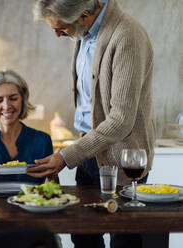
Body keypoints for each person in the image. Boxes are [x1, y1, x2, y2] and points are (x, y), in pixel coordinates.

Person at [28, 0, 155, 248]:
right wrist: (75, 151)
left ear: (84, 16)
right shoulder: (84, 34)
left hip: (123, 159)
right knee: (84, 235)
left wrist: (66, 156)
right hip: (88, 154)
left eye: (61, 28)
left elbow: (120, 120)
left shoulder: (127, 36)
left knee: (124, 239)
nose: (56, 35)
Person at [0, 69, 55, 185]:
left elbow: (52, 187)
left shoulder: (42, 140)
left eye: (13, 99)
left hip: (31, 202)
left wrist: (54, 173)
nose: (6, 106)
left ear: (23, 100)